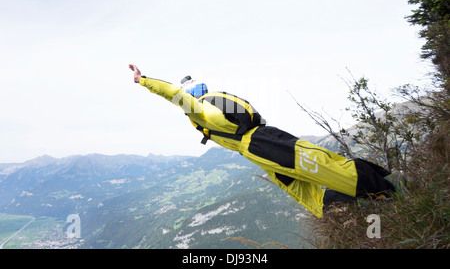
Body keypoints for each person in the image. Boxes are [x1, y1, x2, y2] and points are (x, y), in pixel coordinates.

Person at [129, 64, 395, 218]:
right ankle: (349, 204)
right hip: (263, 140)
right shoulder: (217, 99)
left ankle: (384, 190)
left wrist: (144, 81)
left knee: (314, 168)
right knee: (302, 179)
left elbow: (173, 94)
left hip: (260, 145)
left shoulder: (199, 109)